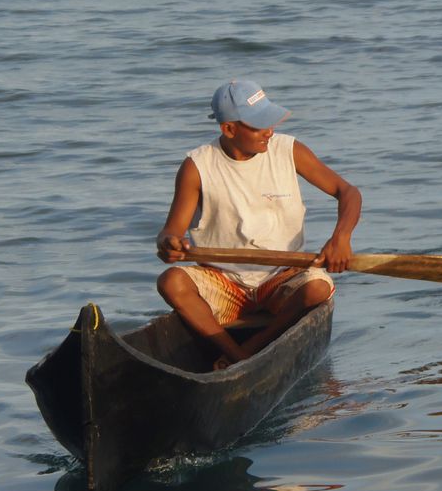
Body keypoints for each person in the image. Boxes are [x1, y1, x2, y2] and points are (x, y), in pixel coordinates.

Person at [155, 79, 362, 369]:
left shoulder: (289, 151)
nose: (269, 131)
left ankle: (250, 349)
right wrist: (169, 244)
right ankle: (238, 355)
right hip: (225, 282)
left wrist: (341, 237)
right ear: (229, 129)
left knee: (317, 288)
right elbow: (171, 232)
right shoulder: (197, 166)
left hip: (279, 279)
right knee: (171, 282)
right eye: (259, 125)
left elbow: (348, 192)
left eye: (270, 122)